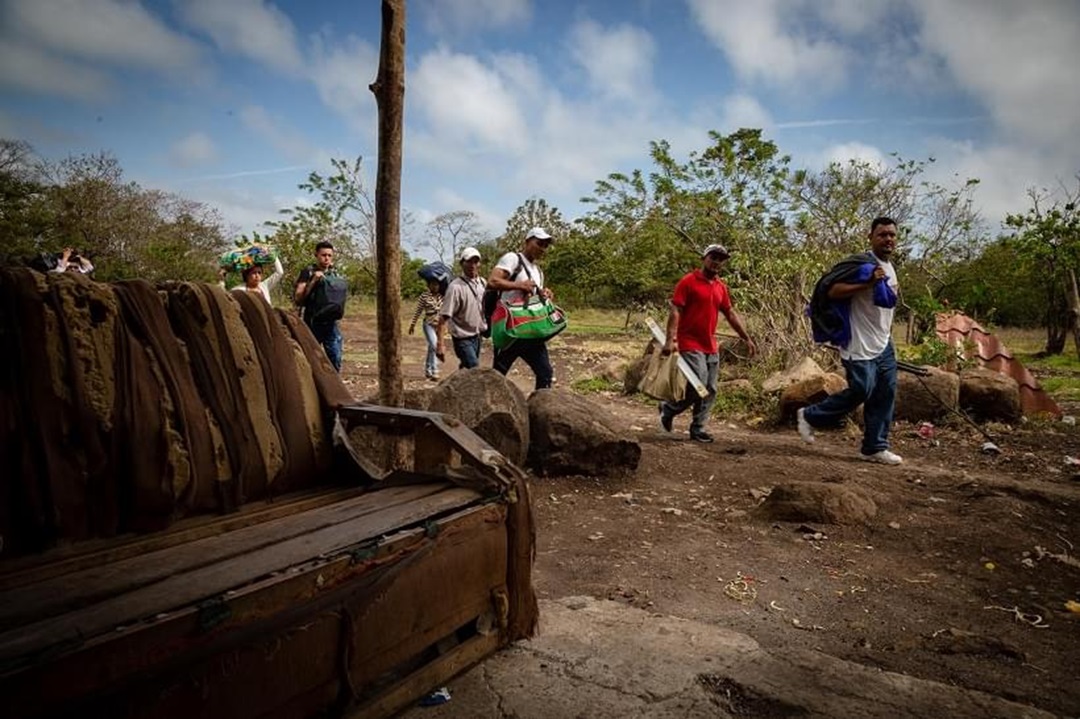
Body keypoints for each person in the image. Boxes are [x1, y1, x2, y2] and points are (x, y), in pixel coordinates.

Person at [797, 216, 902, 464]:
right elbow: (831, 290)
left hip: (883, 341)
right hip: (858, 340)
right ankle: (811, 415)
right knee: (862, 389)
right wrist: (866, 284)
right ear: (871, 237)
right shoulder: (862, 265)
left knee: (885, 393)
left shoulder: (889, 267)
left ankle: (875, 447)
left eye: (892, 235)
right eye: (882, 234)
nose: (888, 239)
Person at [659, 243, 756, 444]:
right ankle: (669, 409)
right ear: (704, 258)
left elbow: (729, 312)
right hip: (689, 341)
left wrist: (745, 337)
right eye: (713, 257)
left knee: (711, 388)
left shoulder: (721, 287)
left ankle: (698, 428)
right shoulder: (688, 281)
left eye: (721, 259)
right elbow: (676, 310)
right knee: (699, 384)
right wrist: (670, 339)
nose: (717, 262)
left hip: (710, 344)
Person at [488, 227, 556, 390]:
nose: (542, 248)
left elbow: (533, 297)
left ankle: (539, 411)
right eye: (539, 243)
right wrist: (519, 285)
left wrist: (544, 294)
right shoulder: (512, 259)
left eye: (546, 245)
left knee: (545, 373)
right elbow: (492, 282)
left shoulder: (538, 271)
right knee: (498, 374)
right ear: (527, 241)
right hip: (510, 329)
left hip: (531, 329)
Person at [294, 240, 344, 372]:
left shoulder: (335, 273)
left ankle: (334, 388)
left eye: (329, 255)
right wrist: (314, 281)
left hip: (331, 323)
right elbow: (298, 299)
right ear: (316, 255)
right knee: (310, 358)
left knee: (335, 358)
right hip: (312, 322)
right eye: (323, 255)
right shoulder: (308, 272)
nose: (327, 258)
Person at [436, 247, 486, 370]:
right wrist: (440, 344)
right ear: (461, 263)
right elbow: (443, 318)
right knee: (475, 368)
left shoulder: (483, 284)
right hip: (462, 338)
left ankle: (458, 386)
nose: (473, 265)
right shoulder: (455, 287)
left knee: (467, 368)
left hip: (478, 336)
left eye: (476, 261)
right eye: (469, 261)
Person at [409, 276, 445, 380]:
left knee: (431, 348)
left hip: (438, 326)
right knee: (434, 345)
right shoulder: (424, 296)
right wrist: (412, 324)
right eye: (433, 284)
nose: (435, 287)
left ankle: (428, 370)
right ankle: (435, 371)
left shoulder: (441, 296)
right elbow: (418, 311)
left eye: (437, 284)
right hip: (428, 324)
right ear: (428, 285)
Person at [219, 257, 284, 304]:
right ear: (246, 275)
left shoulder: (264, 286)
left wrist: (274, 256)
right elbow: (225, 298)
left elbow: (280, 272)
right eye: (254, 273)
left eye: (259, 272)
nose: (257, 276)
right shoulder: (239, 290)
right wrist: (222, 280)